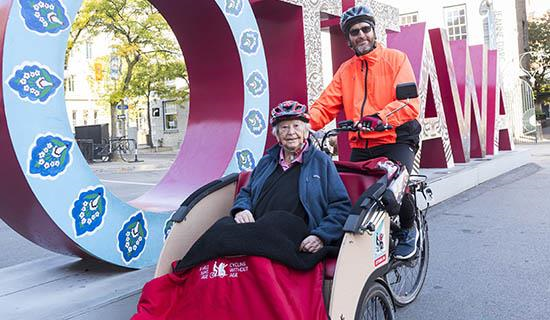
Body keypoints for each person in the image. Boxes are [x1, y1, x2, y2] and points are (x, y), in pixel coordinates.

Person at [308, 5, 421, 259]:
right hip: (362, 144)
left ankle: (408, 228)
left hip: (396, 137)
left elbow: (409, 103)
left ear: (373, 31)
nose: (361, 35)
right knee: (349, 193)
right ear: (348, 39)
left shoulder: (396, 59)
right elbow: (325, 104)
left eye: (365, 29)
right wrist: (303, 124)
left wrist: (380, 118)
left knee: (394, 187)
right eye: (354, 32)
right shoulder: (346, 71)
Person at [231, 100, 351, 253]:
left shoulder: (321, 162)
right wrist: (242, 209)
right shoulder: (266, 161)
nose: (291, 132)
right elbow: (246, 193)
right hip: (256, 228)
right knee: (219, 231)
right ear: (277, 135)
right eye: (284, 127)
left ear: (306, 131)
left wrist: (321, 236)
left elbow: (340, 207)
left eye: (296, 126)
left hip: (294, 234)